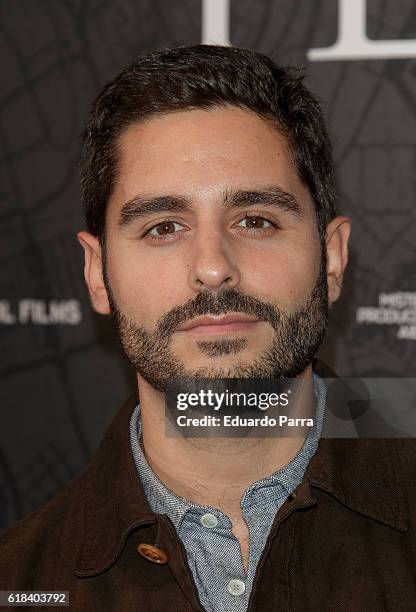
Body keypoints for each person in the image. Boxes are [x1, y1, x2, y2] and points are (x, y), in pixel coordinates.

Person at [0, 44, 415, 612]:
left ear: (333, 258)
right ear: (97, 274)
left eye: (255, 219)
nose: (213, 265)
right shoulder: (17, 580)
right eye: (163, 226)